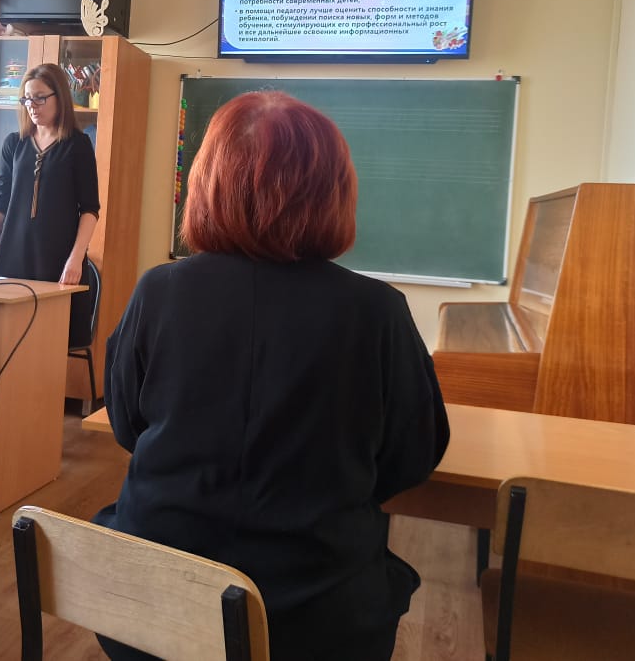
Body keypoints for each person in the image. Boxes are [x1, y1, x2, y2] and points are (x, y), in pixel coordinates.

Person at [94, 91, 449, 661]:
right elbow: (411, 456)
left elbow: (127, 424)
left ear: (208, 184)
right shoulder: (377, 311)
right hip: (319, 626)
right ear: (334, 191)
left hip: (150, 612)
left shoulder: (158, 291)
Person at [0, 62, 101, 478]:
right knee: (8, 356)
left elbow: (90, 209)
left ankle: (31, 447)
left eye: (39, 98)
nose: (32, 106)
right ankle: (3, 447)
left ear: (59, 98)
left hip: (55, 266)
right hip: (13, 261)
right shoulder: (14, 144)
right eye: (26, 99)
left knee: (40, 361)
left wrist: (76, 258)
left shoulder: (77, 146)